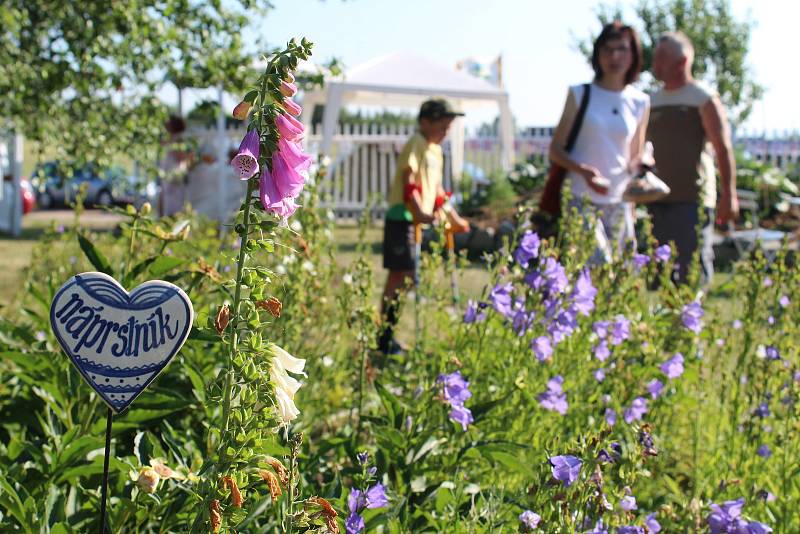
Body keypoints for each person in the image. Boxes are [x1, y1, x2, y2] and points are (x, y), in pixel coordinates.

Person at [549, 21, 650, 263]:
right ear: (598, 54)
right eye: (607, 49)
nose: (614, 57)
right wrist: (583, 171)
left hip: (619, 200)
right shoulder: (580, 94)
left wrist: (644, 162)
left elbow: (633, 157)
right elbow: (555, 150)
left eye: (622, 49)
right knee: (596, 263)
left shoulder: (640, 101)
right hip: (581, 197)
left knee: (621, 273)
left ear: (633, 54)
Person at [377, 98, 469, 356]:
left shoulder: (436, 151)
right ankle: (384, 337)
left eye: (449, 127)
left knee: (405, 276)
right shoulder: (416, 144)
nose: (446, 132)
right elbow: (410, 180)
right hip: (402, 216)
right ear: (425, 122)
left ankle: (387, 335)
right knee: (401, 275)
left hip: (416, 218)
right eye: (443, 126)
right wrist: (418, 210)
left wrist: (453, 217)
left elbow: (436, 191)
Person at [648, 31, 738, 284]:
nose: (655, 64)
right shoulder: (651, 102)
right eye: (655, 58)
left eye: (662, 58)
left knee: (691, 269)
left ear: (682, 61)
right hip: (658, 199)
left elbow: (723, 148)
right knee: (662, 272)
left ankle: (691, 319)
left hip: (693, 200)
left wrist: (729, 196)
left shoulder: (703, 99)